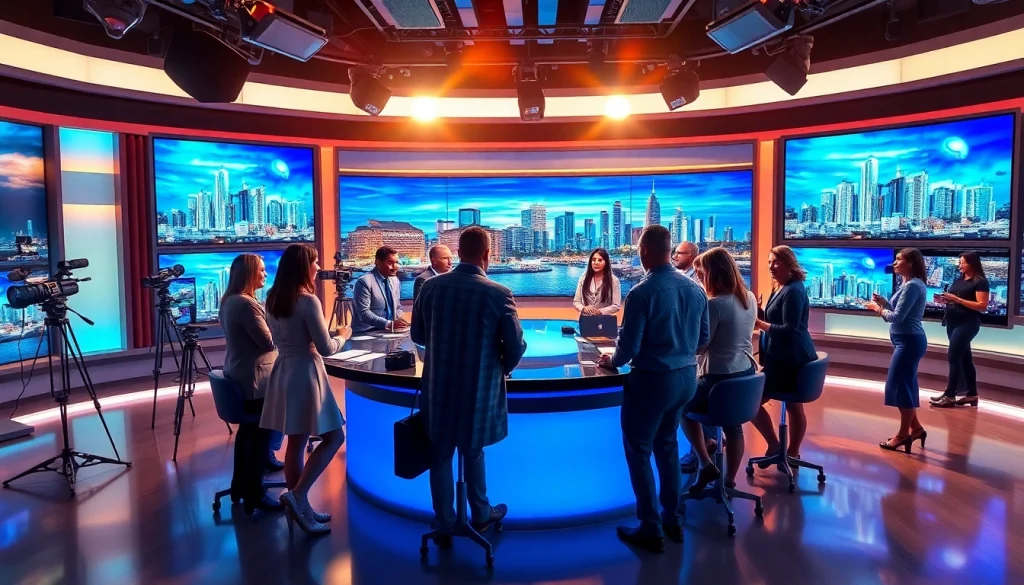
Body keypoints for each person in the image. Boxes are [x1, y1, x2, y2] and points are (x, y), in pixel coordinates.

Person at [411, 226, 526, 547]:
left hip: (438, 389)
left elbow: (418, 337)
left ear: (458, 252)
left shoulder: (431, 288)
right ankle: (480, 512)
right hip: (478, 391)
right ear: (487, 255)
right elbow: (515, 346)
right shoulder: (498, 293)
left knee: (440, 454)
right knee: (473, 452)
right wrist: (501, 368)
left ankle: (445, 520)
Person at [598, 225, 709, 553]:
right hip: (686, 379)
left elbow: (627, 349)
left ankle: (650, 526)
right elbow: (703, 339)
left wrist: (610, 360)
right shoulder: (695, 289)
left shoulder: (641, 293)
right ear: (668, 250)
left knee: (640, 451)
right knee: (668, 447)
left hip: (651, 382)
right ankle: (673, 519)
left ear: (644, 251)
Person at [260, 243, 352, 535]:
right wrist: (343, 335)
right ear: (303, 266)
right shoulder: (307, 300)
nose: (317, 267)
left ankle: (300, 509)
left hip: (284, 370)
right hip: (306, 372)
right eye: (314, 262)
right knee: (335, 436)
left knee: (296, 442)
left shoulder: (272, 297)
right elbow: (325, 347)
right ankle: (298, 496)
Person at [680, 247, 758, 492]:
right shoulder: (750, 297)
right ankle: (729, 482)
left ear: (714, 273)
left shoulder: (714, 305)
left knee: (680, 405)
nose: (700, 279)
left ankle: (704, 461)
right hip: (745, 372)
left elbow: (701, 346)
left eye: (702, 274)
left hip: (718, 378)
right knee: (733, 426)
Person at [219, 253, 282, 512]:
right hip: (256, 381)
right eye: (262, 270)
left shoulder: (230, 301)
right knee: (257, 437)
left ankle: (241, 486)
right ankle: (255, 493)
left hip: (241, 375)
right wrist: (285, 327)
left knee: (249, 436)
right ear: (249, 274)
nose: (266, 274)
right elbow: (267, 341)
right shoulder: (246, 304)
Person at [751, 245, 817, 463]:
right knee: (791, 405)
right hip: (778, 358)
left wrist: (759, 323)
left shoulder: (794, 290)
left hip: (791, 359)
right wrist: (760, 312)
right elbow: (776, 319)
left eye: (776, 262)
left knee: (752, 403)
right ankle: (782, 448)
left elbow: (789, 330)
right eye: (769, 262)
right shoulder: (780, 285)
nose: (771, 266)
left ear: (789, 264)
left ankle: (786, 449)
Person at [865, 248, 928, 453]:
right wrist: (884, 303)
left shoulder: (913, 286)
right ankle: (916, 429)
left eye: (899, 259)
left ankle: (903, 436)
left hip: (909, 342)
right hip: (906, 341)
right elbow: (896, 312)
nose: (895, 262)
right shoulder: (908, 284)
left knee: (900, 387)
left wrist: (877, 309)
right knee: (906, 385)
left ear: (910, 263)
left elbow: (897, 317)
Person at [931, 251, 989, 408]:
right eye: (959, 262)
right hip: (953, 322)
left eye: (963, 262)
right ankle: (972, 394)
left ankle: (950, 395)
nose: (960, 265)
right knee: (965, 359)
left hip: (967, 324)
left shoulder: (980, 281)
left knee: (953, 356)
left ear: (972, 263)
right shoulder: (960, 279)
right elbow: (956, 299)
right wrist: (947, 300)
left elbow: (982, 306)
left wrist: (956, 299)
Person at [351, 246, 407, 333]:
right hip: (367, 332)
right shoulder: (364, 282)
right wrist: (388, 324)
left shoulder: (395, 280)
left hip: (389, 331)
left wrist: (399, 321)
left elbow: (397, 306)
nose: (395, 267)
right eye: (390, 263)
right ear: (378, 263)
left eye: (396, 262)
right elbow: (364, 313)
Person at [573, 248, 622, 316]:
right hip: (586, 320)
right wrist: (583, 308)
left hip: (604, 322)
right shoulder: (583, 279)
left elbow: (616, 306)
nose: (596, 263)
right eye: (593, 260)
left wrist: (600, 311)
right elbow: (576, 302)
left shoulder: (614, 280)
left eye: (600, 260)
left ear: (606, 262)